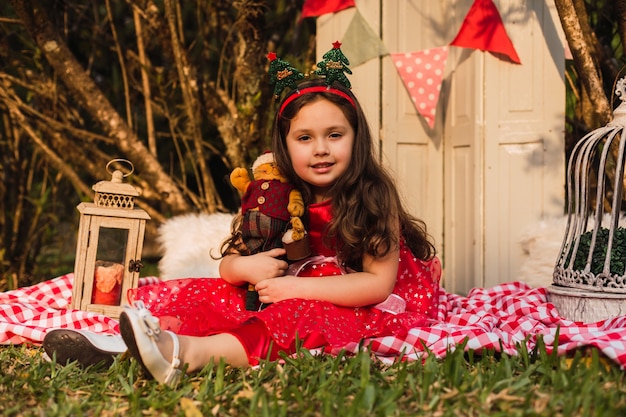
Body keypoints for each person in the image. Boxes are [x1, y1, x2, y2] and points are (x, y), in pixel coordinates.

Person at [44, 49, 441, 386]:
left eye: (335, 135)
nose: (320, 149)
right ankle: (123, 345)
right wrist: (246, 266)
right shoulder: (272, 194)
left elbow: (378, 284)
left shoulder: (372, 195)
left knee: (295, 317)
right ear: (284, 145)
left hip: (352, 299)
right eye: (305, 138)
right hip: (278, 290)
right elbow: (230, 266)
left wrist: (294, 290)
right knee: (212, 296)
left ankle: (187, 353)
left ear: (357, 138)